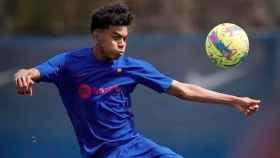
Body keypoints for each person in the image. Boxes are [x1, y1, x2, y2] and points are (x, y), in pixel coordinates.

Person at [14, 3, 260, 158]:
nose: (122, 43)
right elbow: (31, 71)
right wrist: (22, 75)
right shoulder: (69, 63)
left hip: (135, 147)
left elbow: (184, 90)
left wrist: (234, 100)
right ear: (96, 35)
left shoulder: (132, 67)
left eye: (125, 38)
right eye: (116, 37)